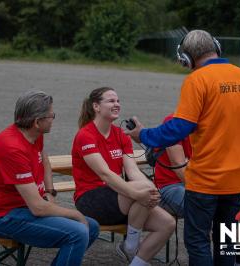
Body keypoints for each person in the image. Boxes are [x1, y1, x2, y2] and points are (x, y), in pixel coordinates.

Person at [126, 30, 240, 266]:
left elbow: (177, 128)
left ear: (186, 58)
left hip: (206, 181)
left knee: (198, 241)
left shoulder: (197, 80)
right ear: (217, 47)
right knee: (226, 241)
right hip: (238, 178)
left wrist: (143, 134)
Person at [0, 91, 99, 266]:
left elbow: (45, 161)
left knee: (91, 227)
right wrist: (76, 214)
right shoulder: (13, 148)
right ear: (37, 122)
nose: (53, 119)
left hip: (23, 208)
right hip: (1, 217)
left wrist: (49, 192)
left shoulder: (33, 134)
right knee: (78, 232)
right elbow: (38, 208)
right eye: (51, 115)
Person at [71, 87, 176, 266]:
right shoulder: (85, 135)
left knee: (167, 223)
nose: (117, 104)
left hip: (120, 197)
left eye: (118, 101)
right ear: (96, 106)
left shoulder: (121, 134)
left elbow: (132, 171)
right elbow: (105, 174)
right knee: (143, 190)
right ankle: (131, 245)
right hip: (91, 199)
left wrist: (152, 189)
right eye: (111, 101)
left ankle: (134, 258)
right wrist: (139, 193)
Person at [154, 114, 240, 266]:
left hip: (204, 185)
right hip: (171, 185)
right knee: (209, 209)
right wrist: (209, 192)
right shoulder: (173, 122)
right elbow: (178, 166)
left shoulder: (213, 123)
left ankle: (239, 261)